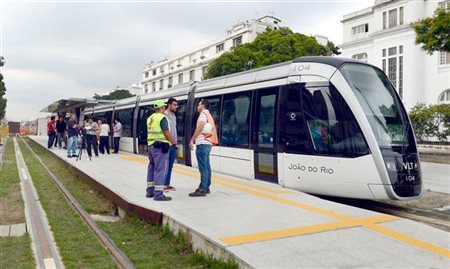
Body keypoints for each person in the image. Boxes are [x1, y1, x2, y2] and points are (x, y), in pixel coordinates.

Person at [146, 100, 177, 201]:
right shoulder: (163, 118)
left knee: (151, 168)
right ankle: (158, 194)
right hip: (160, 148)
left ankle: (149, 191)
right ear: (162, 108)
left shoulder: (150, 118)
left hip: (151, 146)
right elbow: (166, 132)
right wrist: (174, 142)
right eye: (164, 107)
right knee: (160, 170)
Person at [188, 99, 218, 197]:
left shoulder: (203, 115)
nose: (197, 106)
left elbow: (199, 128)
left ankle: (202, 189)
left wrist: (192, 140)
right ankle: (206, 186)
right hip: (208, 143)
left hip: (202, 143)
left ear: (203, 105)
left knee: (203, 167)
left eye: (199, 104)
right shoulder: (209, 115)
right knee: (207, 166)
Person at [163, 97, 179, 192]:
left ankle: (167, 184)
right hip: (166, 144)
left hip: (173, 144)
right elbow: (166, 132)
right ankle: (162, 185)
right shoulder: (164, 115)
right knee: (165, 165)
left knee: (170, 165)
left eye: (176, 105)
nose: (176, 107)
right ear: (169, 105)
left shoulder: (173, 116)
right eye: (174, 105)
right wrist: (174, 142)